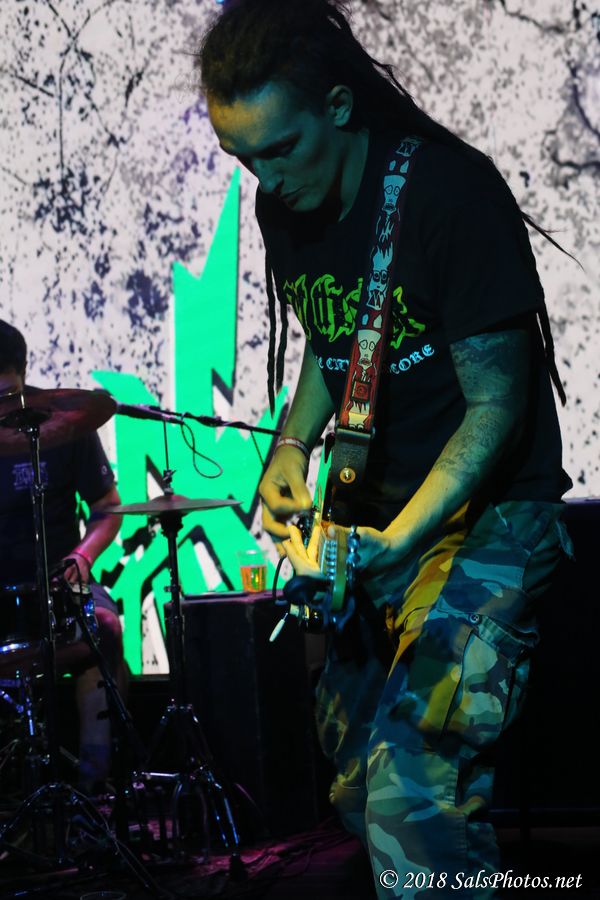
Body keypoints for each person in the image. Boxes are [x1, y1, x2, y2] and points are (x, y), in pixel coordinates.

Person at [197, 1, 574, 896]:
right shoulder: (286, 205)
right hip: (378, 524)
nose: (264, 178)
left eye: (278, 149)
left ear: (336, 106)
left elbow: (498, 407)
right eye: (242, 158)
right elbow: (336, 334)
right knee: (358, 787)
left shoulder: (450, 195)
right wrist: (292, 448)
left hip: (489, 521)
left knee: (411, 794)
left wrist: (401, 539)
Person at [0, 320, 125, 794]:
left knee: (104, 629)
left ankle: (95, 791)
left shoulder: (63, 424)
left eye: (7, 395)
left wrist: (81, 558)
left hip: (59, 582)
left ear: (24, 372)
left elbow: (107, 507)